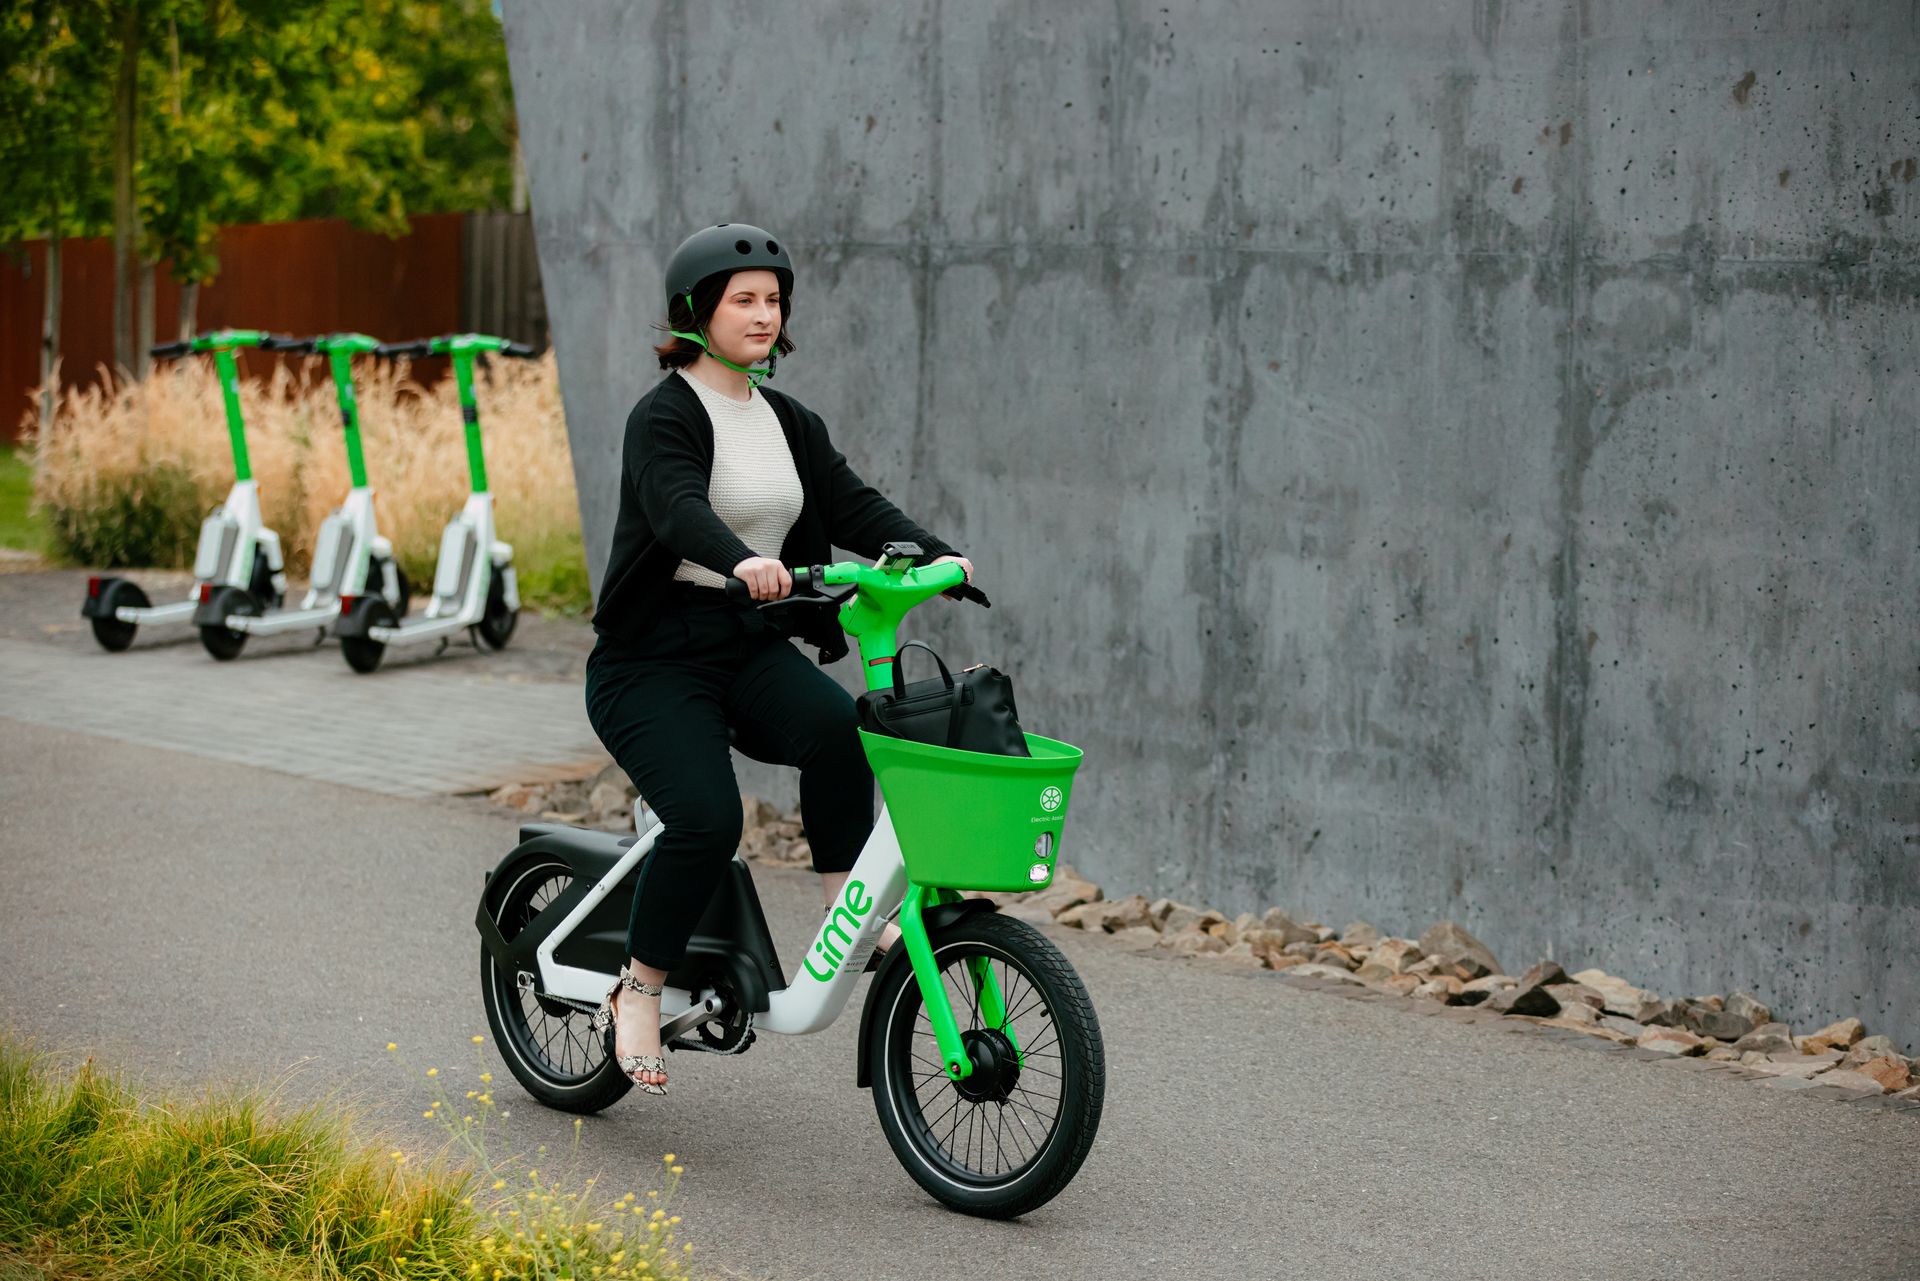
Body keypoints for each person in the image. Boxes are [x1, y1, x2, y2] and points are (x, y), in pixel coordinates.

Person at [583, 223, 973, 1094]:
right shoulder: (665, 415)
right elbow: (677, 507)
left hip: (741, 643)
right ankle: (637, 989)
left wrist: (936, 554)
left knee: (841, 730)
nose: (764, 315)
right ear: (696, 314)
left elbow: (853, 503)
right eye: (743, 300)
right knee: (707, 818)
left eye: (773, 300)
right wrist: (741, 559)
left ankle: (845, 903)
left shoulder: (788, 420)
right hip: (649, 662)